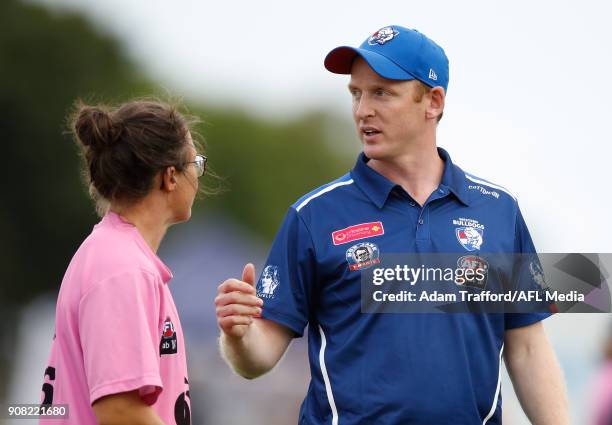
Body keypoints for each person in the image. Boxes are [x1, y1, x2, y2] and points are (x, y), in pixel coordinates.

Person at [215, 26, 569, 424]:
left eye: (382, 92)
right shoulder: (314, 215)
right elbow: (257, 359)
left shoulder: (499, 212)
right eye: (356, 93)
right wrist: (239, 334)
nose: (363, 109)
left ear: (432, 102)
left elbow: (527, 348)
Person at [40, 99, 206, 425]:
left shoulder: (116, 256)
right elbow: (120, 410)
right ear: (170, 177)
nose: (198, 177)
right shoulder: (122, 268)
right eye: (195, 164)